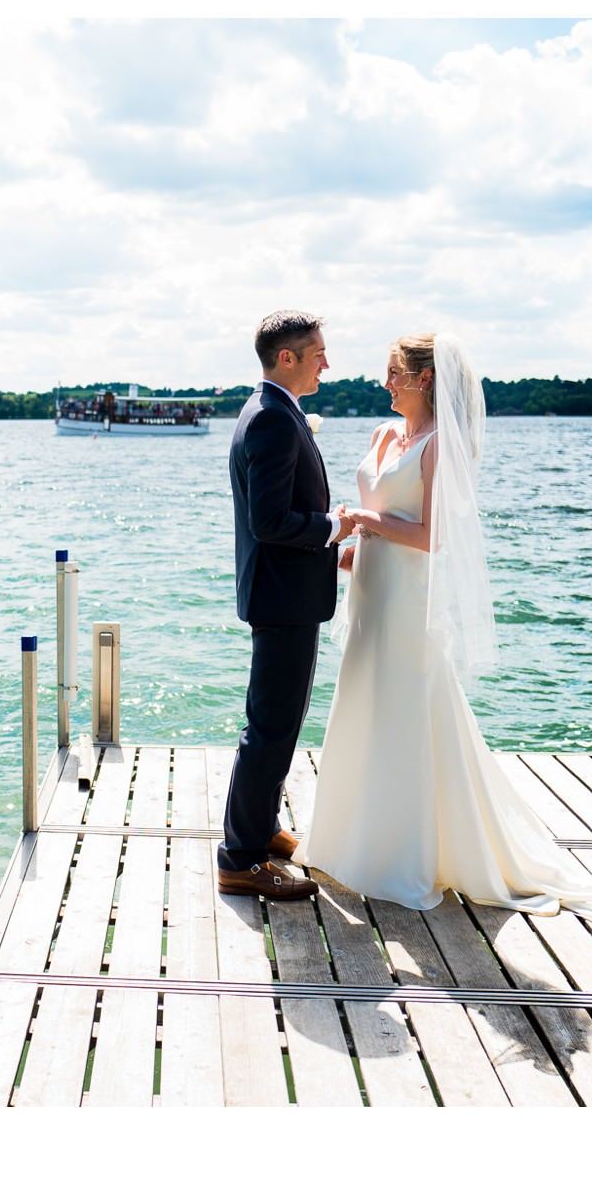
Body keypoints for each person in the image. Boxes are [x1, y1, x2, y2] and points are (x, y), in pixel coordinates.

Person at [295, 333, 592, 943]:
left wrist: (363, 519)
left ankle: (406, 853)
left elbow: (432, 538)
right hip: (369, 591)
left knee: (407, 712)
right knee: (366, 708)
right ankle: (353, 839)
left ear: (423, 379)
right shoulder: (382, 436)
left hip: (407, 602)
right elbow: (381, 524)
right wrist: (352, 552)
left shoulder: (441, 445)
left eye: (393, 373)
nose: (384, 382)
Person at [217, 311, 349, 901]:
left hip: (284, 593)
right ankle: (239, 858)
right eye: (318, 352)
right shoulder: (272, 418)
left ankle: (263, 829)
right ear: (288, 358)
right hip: (282, 597)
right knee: (270, 728)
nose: (328, 362)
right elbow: (271, 522)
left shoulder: (273, 410)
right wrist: (333, 527)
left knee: (280, 722)